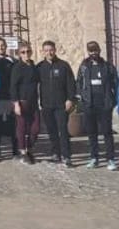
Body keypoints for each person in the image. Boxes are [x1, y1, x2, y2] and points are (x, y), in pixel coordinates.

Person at [76, 41, 118, 170]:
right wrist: (80, 98)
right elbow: (78, 83)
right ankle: (94, 158)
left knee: (107, 132)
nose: (94, 53)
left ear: (99, 51)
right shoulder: (84, 67)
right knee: (92, 133)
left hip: (104, 104)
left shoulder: (108, 66)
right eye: (91, 51)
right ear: (88, 52)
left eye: (96, 50)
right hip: (89, 104)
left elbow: (115, 84)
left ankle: (110, 159)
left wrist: (114, 101)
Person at [38, 40, 76, 167]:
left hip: (61, 104)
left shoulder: (63, 65)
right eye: (46, 50)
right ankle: (56, 153)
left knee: (63, 130)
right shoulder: (40, 67)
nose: (49, 52)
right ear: (43, 51)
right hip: (46, 105)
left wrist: (70, 99)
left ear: (55, 50)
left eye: (51, 49)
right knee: (52, 130)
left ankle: (67, 156)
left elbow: (71, 83)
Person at [10, 43, 40, 164]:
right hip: (22, 102)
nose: (26, 54)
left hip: (33, 102)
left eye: (28, 51)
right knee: (21, 128)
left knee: (35, 128)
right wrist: (16, 104)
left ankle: (29, 148)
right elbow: (13, 86)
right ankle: (23, 152)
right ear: (19, 54)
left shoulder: (33, 66)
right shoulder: (17, 67)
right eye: (23, 52)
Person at [0, 37, 18, 159]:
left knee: (13, 124)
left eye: (2, 45)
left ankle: (15, 150)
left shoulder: (12, 61)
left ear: (6, 46)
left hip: (9, 96)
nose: (0, 47)